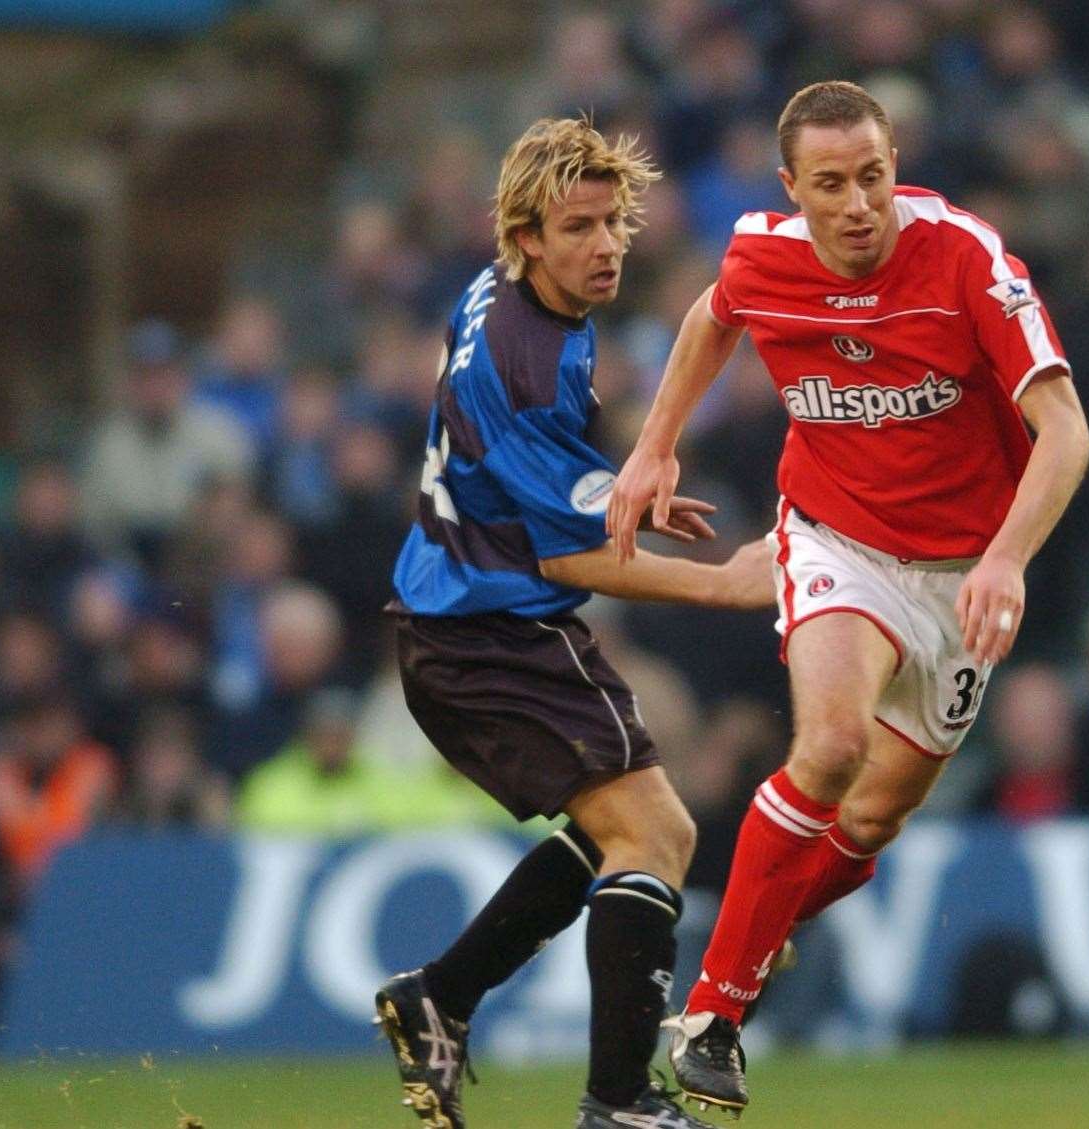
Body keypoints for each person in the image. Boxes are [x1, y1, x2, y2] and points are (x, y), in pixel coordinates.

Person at [607, 80, 1089, 1114]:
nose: (860, 203)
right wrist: (654, 446)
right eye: (831, 184)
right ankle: (714, 1012)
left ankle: (754, 931)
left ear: (894, 164)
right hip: (835, 539)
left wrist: (1005, 559)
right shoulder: (761, 252)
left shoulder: (965, 257)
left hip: (966, 569)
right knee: (828, 748)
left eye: (873, 175)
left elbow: (1068, 432)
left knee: (869, 820)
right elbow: (711, 314)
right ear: (794, 188)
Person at [374, 116, 771, 1129]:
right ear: (526, 236)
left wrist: (610, 491)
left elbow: (534, 486)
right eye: (578, 227)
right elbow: (565, 557)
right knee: (659, 831)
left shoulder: (509, 295)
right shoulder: (525, 356)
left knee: (619, 837)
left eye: (613, 223)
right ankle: (619, 1100)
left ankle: (442, 996)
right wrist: (725, 580)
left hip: (453, 613)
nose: (604, 246)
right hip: (492, 630)